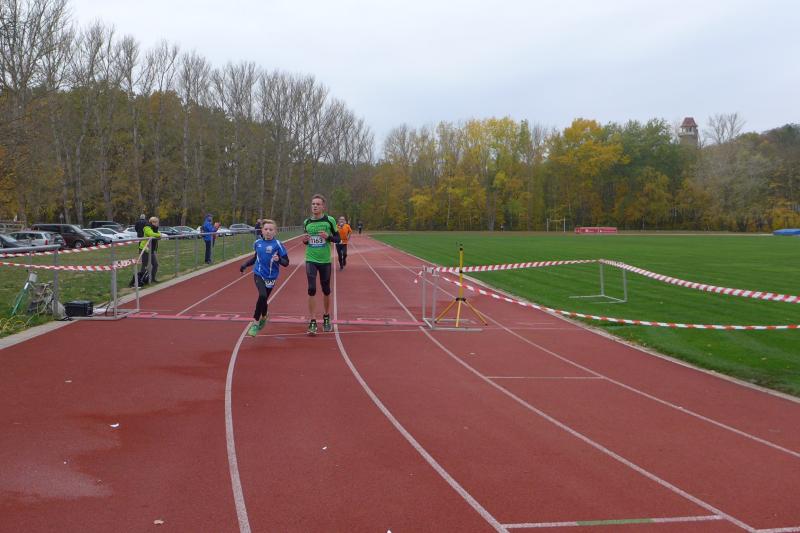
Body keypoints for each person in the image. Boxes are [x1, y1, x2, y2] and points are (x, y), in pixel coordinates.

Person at [239, 219, 290, 337]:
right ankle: (255, 323)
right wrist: (245, 264)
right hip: (259, 273)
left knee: (264, 299)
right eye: (266, 229)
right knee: (262, 295)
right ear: (261, 231)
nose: (268, 231)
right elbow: (255, 258)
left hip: (271, 276)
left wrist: (279, 259)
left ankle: (265, 315)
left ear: (275, 232)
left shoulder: (278, 244)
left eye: (271, 229)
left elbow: (286, 262)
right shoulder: (257, 243)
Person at [302, 194, 340, 335]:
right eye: (313, 204)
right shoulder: (307, 222)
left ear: (323, 206)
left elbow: (338, 238)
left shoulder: (330, 220)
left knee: (326, 290)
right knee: (311, 289)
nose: (315, 206)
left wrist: (328, 237)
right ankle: (312, 321)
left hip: (325, 261)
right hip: (310, 259)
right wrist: (305, 240)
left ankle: (326, 317)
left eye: (318, 204)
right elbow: (306, 240)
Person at [139, 216, 164, 283]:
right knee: (145, 265)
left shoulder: (155, 228)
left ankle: (152, 278)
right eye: (157, 222)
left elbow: (158, 234)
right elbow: (151, 234)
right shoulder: (147, 227)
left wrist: (159, 235)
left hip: (151, 249)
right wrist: (159, 235)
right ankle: (141, 280)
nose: (158, 224)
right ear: (153, 222)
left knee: (155, 264)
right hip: (145, 249)